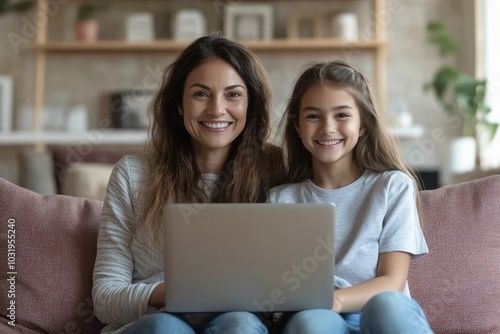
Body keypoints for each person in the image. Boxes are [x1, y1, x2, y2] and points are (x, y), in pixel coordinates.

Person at [92, 33, 285, 334]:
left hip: (240, 322)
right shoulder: (132, 175)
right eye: (201, 94)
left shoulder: (279, 171)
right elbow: (105, 299)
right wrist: (176, 293)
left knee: (239, 324)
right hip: (154, 323)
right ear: (179, 104)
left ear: (252, 105)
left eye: (233, 95)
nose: (216, 109)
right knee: (164, 328)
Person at [267, 60, 433, 334]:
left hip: (377, 315)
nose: (327, 128)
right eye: (313, 116)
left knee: (388, 305)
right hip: (317, 316)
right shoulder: (279, 200)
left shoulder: (392, 186)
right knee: (312, 322)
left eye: (342, 115)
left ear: (364, 124)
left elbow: (392, 280)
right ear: (297, 126)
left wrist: (336, 299)